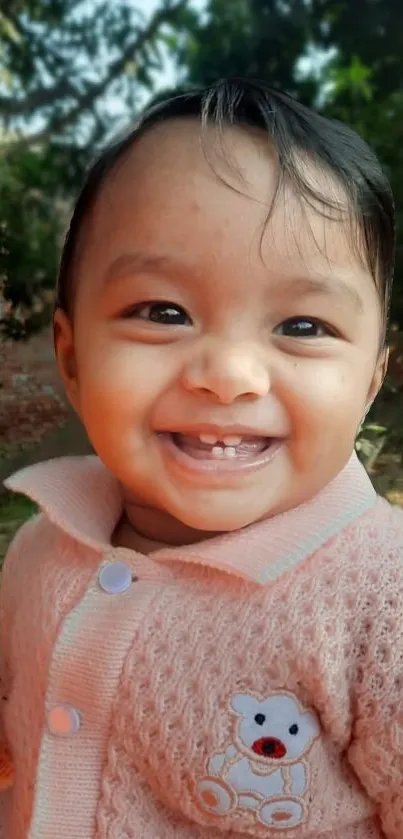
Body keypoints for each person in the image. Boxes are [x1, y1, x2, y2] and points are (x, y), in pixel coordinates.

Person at [0, 77, 400, 839]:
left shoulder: (382, 604)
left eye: (304, 324)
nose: (228, 373)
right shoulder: (41, 549)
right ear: (72, 357)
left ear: (370, 382)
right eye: (163, 312)